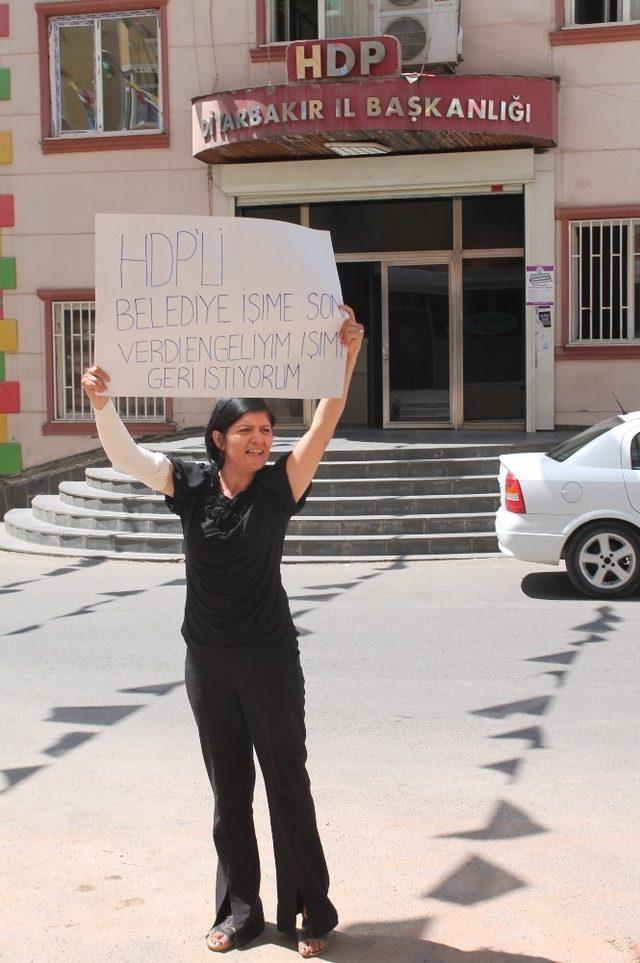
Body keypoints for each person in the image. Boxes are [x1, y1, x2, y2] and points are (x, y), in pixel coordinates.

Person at [81, 306, 364, 958]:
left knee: (287, 783)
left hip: (270, 659)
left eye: (266, 429)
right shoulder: (188, 483)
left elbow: (322, 422)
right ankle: (240, 912)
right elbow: (125, 454)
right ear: (218, 437)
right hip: (207, 662)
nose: (262, 438)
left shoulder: (281, 485)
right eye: (247, 430)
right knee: (229, 792)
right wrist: (102, 403)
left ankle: (311, 914)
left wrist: (345, 357)